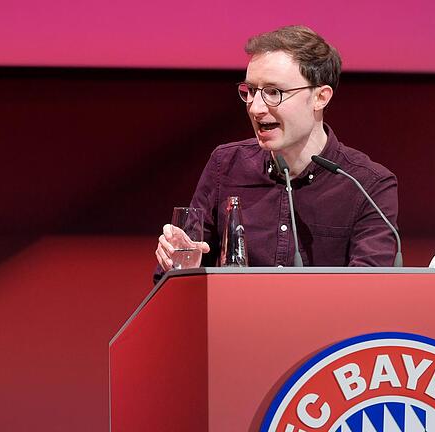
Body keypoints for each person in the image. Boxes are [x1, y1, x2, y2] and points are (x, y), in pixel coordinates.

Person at [155, 25, 398, 278]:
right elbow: (176, 279)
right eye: (250, 91)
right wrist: (176, 264)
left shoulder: (368, 185)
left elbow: (369, 291)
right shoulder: (225, 164)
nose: (256, 108)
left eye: (274, 92)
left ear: (320, 98)